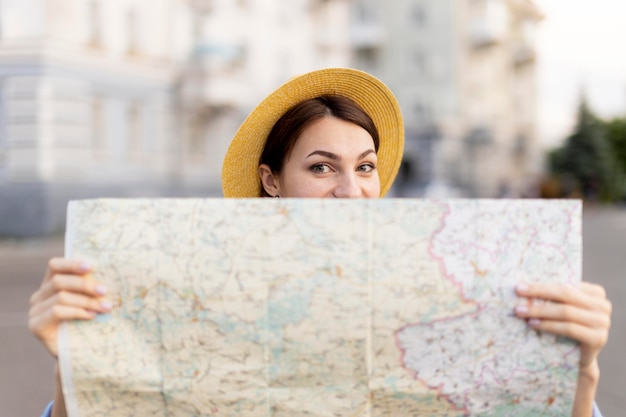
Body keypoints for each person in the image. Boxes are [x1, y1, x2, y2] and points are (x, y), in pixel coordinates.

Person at [30, 68, 611, 417]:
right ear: (271, 181)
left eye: (364, 167)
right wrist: (76, 366)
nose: (352, 191)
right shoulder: (205, 297)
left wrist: (579, 370)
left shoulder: (442, 288)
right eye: (322, 167)